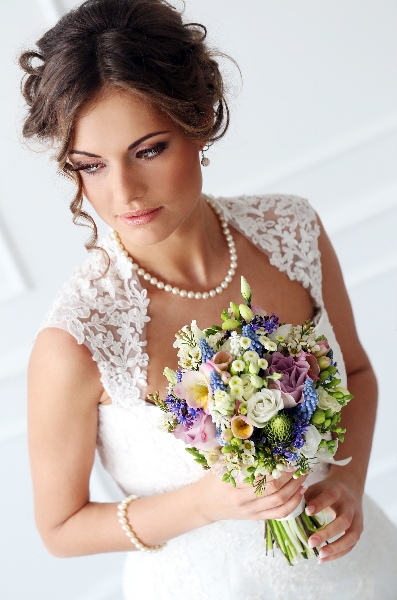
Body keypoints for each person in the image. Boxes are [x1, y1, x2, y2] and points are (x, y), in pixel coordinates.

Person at [21, 1, 397, 598]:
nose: (124, 194)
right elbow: (60, 529)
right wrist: (205, 503)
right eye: (90, 165)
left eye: (148, 150)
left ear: (198, 119)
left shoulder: (293, 230)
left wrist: (347, 487)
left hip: (359, 571)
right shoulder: (76, 341)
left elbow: (356, 372)